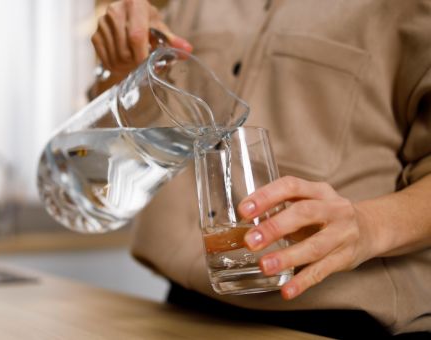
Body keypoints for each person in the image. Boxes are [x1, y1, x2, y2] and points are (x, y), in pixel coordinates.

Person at [91, 0, 431, 337]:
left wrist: (369, 226)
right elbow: (121, 144)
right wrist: (123, 73)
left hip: (340, 324)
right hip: (181, 309)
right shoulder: (189, 5)